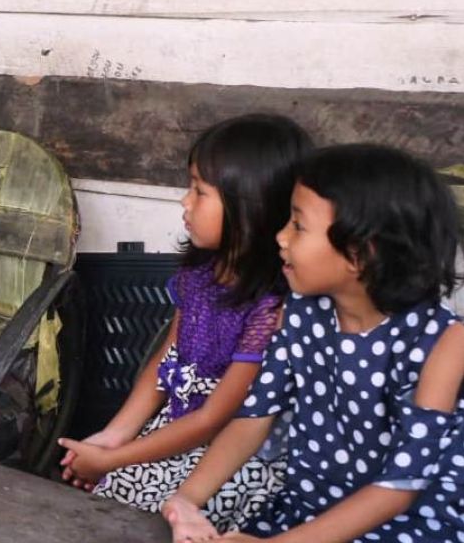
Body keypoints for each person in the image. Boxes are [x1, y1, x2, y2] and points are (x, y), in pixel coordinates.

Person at [163, 144, 464, 542]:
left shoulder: (446, 342)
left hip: (408, 528)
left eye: (298, 226)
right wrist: (187, 500)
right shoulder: (303, 312)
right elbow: (254, 417)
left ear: (360, 252)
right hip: (307, 514)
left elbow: (400, 487)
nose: (280, 237)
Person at [60, 114, 311, 531]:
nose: (184, 201)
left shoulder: (270, 309)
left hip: (226, 457)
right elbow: (166, 363)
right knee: (109, 506)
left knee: (154, 518)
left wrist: (111, 459)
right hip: (175, 429)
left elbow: (213, 419)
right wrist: (113, 436)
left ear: (251, 206)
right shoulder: (199, 276)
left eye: (199, 190)